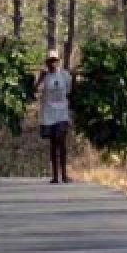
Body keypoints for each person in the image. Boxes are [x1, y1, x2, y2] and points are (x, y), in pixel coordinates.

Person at [36, 49, 73, 184]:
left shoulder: (65, 76)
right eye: (50, 61)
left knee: (61, 141)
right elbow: (34, 91)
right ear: (47, 63)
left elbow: (70, 92)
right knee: (53, 144)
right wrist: (39, 79)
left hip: (62, 114)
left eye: (54, 61)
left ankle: (64, 174)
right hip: (48, 115)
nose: (52, 64)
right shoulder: (44, 77)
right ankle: (55, 176)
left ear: (58, 62)